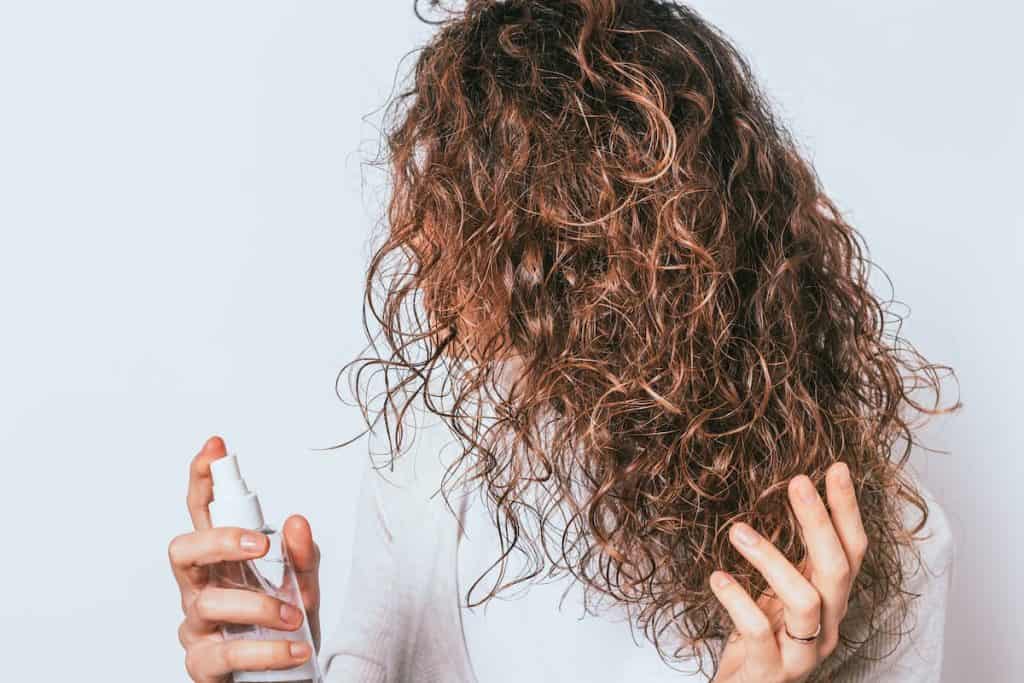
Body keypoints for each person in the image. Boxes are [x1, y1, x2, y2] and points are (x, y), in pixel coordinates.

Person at [168, 1, 958, 681]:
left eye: (488, 222)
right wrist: (275, 653)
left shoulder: (879, 552)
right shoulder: (431, 456)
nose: (431, 250)